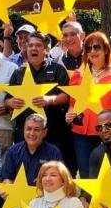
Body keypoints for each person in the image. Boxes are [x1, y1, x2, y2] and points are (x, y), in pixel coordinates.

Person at [65, 32, 111, 178]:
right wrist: (70, 114)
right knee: (86, 174)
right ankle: (87, 201)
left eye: (97, 47)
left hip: (109, 132)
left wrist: (109, 121)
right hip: (81, 133)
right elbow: (72, 104)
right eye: (88, 48)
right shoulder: (78, 75)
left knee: (110, 175)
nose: (92, 51)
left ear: (106, 49)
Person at [5, 32, 74, 174]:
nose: (33, 48)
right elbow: (7, 99)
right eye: (30, 45)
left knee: (54, 171)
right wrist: (11, 102)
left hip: (53, 131)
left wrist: (50, 99)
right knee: (24, 172)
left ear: (46, 49)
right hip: (26, 132)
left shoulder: (57, 69)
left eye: (38, 45)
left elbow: (67, 96)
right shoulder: (18, 72)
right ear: (25, 48)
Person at [0, 113, 64, 208]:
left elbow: (61, 182)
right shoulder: (13, 151)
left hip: (45, 201)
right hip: (19, 200)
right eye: (28, 129)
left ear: (44, 132)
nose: (32, 133)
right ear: (23, 130)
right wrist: (8, 187)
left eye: (37, 130)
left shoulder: (54, 153)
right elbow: (6, 177)